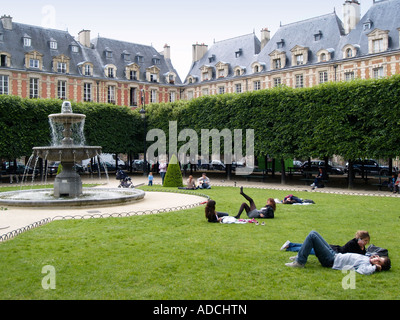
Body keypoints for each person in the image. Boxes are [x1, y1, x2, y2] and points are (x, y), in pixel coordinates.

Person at [285, 231, 391, 275]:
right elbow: (367, 254)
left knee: (312, 236)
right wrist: (373, 256)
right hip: (335, 254)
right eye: (378, 258)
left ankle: (300, 262)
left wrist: (374, 267)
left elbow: (363, 271)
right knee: (314, 233)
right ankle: (299, 256)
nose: (377, 258)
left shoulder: (367, 265)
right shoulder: (368, 259)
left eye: (379, 261)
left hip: (331, 260)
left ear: (378, 265)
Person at [281, 230, 370, 256]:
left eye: (367, 241)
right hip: (333, 251)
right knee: (310, 249)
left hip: (334, 249)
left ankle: (290, 245)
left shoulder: (361, 246)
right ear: (359, 239)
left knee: (310, 247)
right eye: (364, 240)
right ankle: (291, 246)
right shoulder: (353, 244)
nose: (366, 243)